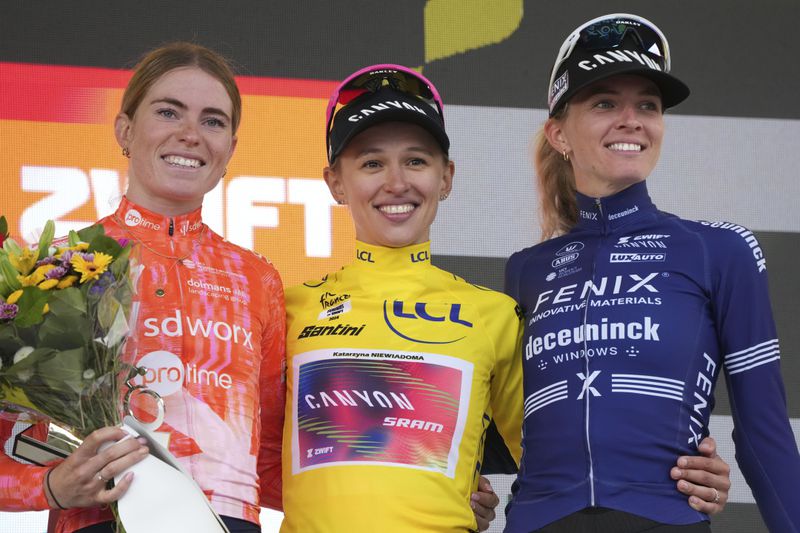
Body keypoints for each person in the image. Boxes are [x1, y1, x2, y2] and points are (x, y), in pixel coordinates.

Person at [504, 13, 800, 532]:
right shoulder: (526, 271)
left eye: (648, 105)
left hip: (662, 519)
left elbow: (764, 433)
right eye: (604, 103)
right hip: (537, 520)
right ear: (558, 132)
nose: (632, 119)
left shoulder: (719, 249)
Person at [0, 42, 285, 533]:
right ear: (125, 130)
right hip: (99, 519)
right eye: (168, 112)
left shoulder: (258, 278)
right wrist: (49, 487)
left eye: (213, 121)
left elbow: (275, 456)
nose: (191, 134)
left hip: (230, 523)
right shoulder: (55, 269)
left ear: (231, 150)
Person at [279, 64, 525, 532]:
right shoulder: (288, 308)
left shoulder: (495, 315)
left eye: (416, 160)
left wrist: (691, 476)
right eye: (372, 163)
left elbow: (556, 468)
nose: (396, 182)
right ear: (335, 182)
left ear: (446, 178)